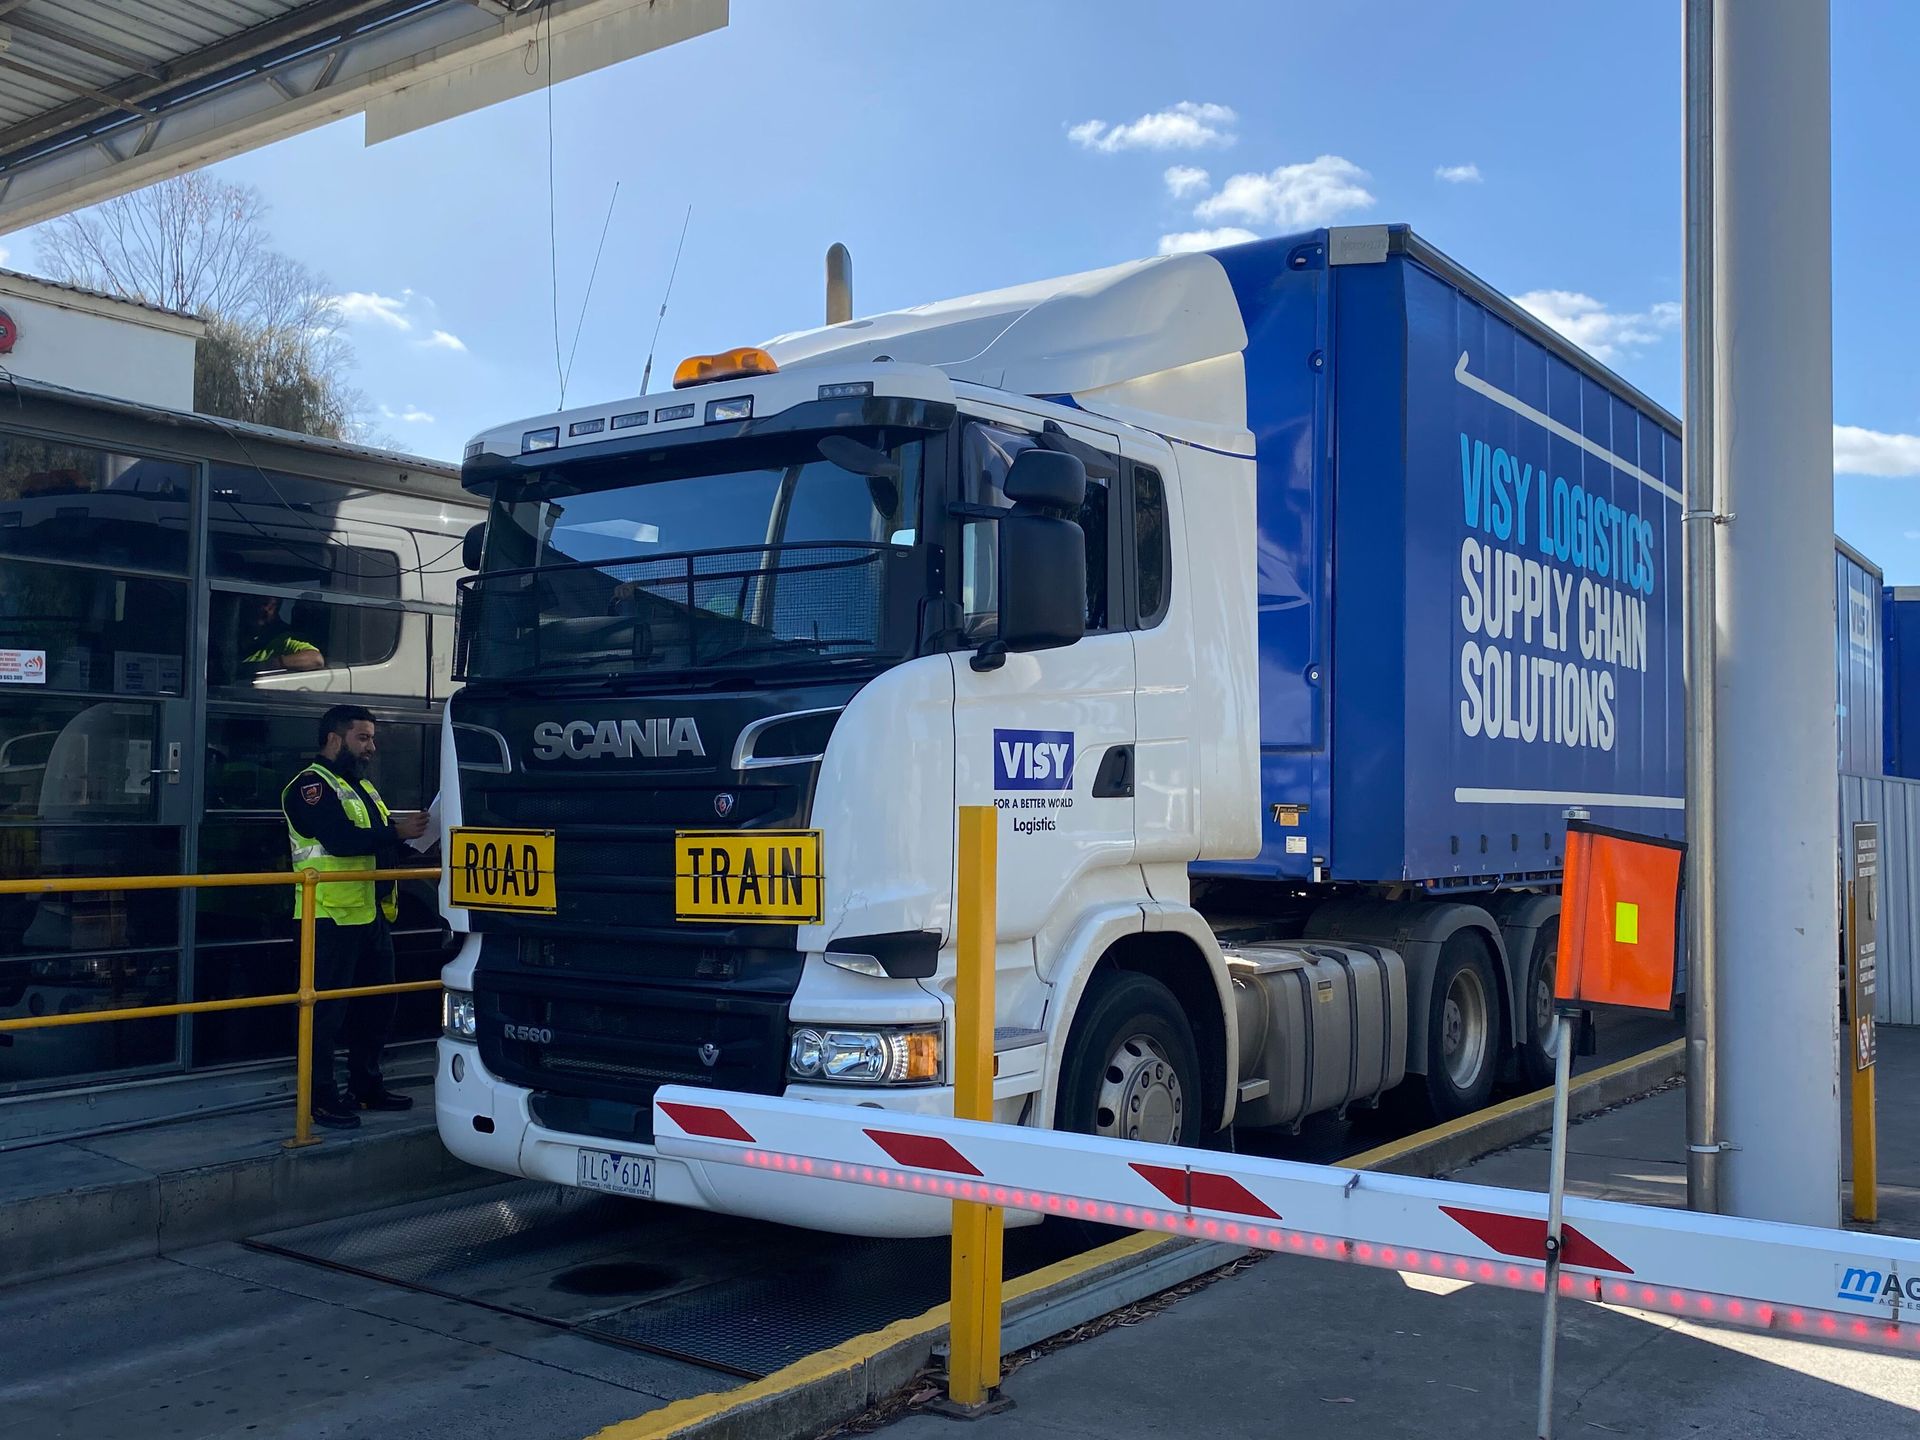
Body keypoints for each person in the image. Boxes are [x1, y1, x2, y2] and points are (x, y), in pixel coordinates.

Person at [282, 704, 428, 1129]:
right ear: (334, 738)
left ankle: (365, 1086)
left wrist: (417, 838)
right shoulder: (311, 786)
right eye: (362, 737)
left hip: (369, 916)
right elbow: (342, 840)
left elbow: (377, 843)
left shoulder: (363, 787)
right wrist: (397, 832)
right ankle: (319, 1098)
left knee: (378, 1007)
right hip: (327, 918)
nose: (371, 747)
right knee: (323, 1014)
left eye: (372, 738)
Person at [243, 595, 325, 672]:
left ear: (276, 607)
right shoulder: (237, 631)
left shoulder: (286, 637)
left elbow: (316, 659)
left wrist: (261, 666)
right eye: (254, 603)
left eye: (266, 604)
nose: (262, 609)